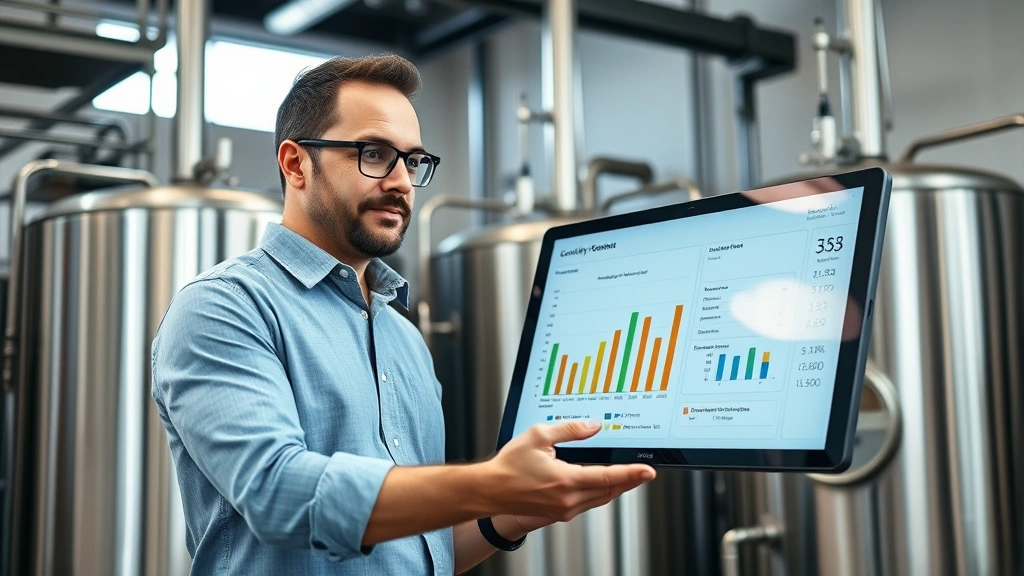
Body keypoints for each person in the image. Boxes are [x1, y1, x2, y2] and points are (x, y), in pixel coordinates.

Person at [151, 53, 656, 575]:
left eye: (412, 161)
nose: (401, 182)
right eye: (374, 153)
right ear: (295, 162)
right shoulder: (224, 308)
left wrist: (508, 516)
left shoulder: (404, 338)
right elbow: (280, 496)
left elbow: (421, 551)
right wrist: (491, 480)